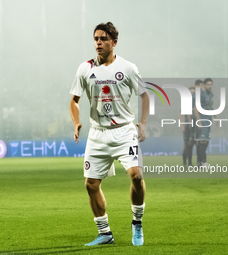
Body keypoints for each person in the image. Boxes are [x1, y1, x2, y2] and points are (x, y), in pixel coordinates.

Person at [69, 22, 149, 246]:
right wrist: (76, 122)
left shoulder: (128, 68)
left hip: (124, 131)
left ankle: (137, 223)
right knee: (91, 185)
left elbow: (144, 95)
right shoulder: (85, 68)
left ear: (114, 42)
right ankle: (105, 233)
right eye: (96, 39)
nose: (98, 43)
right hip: (97, 134)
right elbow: (74, 101)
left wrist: (142, 122)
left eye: (103, 39)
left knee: (137, 175)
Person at [195, 78, 214, 167]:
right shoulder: (201, 95)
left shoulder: (211, 95)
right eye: (208, 85)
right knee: (203, 141)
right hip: (202, 119)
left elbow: (210, 107)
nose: (209, 86)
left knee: (205, 141)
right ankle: (203, 162)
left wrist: (215, 117)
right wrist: (199, 121)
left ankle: (200, 162)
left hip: (208, 120)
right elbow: (195, 108)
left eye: (211, 85)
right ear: (205, 85)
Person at [181, 86, 195, 166]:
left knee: (191, 144)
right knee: (186, 144)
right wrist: (182, 125)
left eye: (193, 92)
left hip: (194, 124)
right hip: (187, 124)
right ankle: (184, 162)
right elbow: (181, 114)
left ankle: (190, 162)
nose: (192, 93)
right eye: (191, 92)